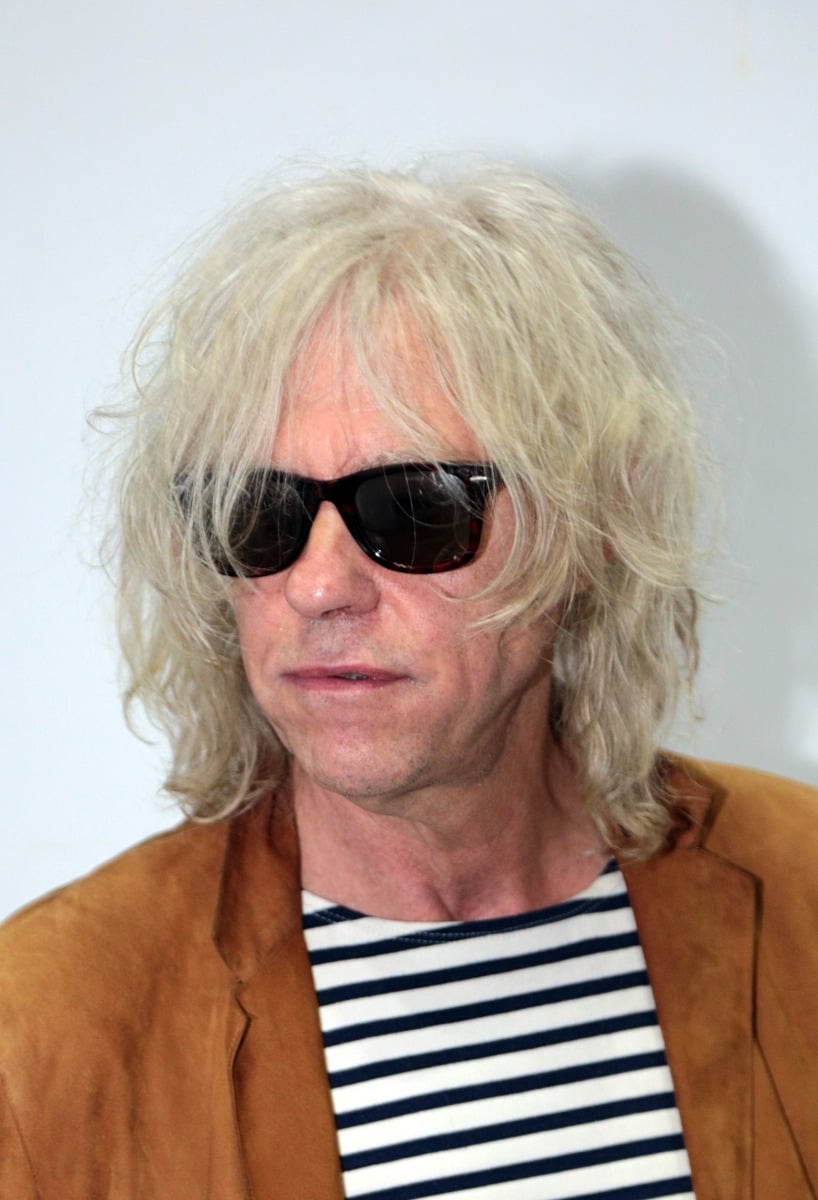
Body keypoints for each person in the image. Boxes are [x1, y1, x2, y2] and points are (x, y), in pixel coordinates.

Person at [1, 165, 816, 1200]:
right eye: (260, 512)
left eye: (417, 506)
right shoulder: (44, 1037)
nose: (318, 587)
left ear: (594, 527)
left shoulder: (801, 898)